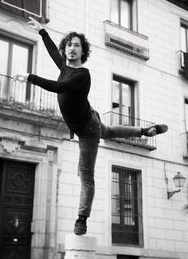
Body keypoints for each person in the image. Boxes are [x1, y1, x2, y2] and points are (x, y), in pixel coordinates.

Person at [13, 17, 168, 235]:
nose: (72, 49)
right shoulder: (65, 66)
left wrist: (31, 77)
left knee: (86, 176)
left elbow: (59, 87)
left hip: (87, 130)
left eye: (77, 45)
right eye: (69, 45)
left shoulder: (82, 75)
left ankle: (81, 219)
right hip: (91, 119)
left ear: (82, 51)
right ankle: (145, 131)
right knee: (110, 131)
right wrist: (42, 32)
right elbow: (52, 52)